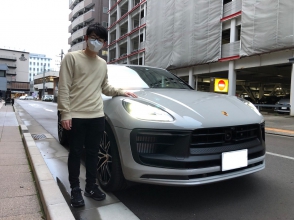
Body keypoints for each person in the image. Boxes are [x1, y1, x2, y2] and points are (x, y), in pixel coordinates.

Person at [58, 23, 137, 208]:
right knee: (76, 153)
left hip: (97, 115)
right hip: (76, 115)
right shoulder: (71, 58)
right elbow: (64, 88)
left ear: (104, 43)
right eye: (93, 38)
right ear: (86, 38)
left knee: (93, 153)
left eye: (100, 40)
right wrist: (65, 114)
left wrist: (121, 92)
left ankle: (91, 186)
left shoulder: (102, 64)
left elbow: (105, 87)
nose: (96, 42)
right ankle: (75, 189)